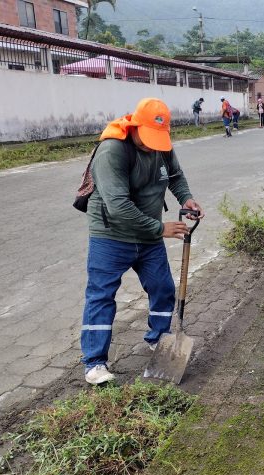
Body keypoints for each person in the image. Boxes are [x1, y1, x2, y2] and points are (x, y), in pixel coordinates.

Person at [80, 97, 204, 384]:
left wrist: (187, 198)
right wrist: (160, 229)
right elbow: (117, 206)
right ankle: (95, 362)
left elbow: (175, 175)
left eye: (157, 140)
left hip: (148, 236)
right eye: (147, 138)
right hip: (111, 236)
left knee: (162, 287)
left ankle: (158, 337)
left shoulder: (161, 144)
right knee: (101, 295)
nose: (152, 146)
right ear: (135, 125)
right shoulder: (112, 150)